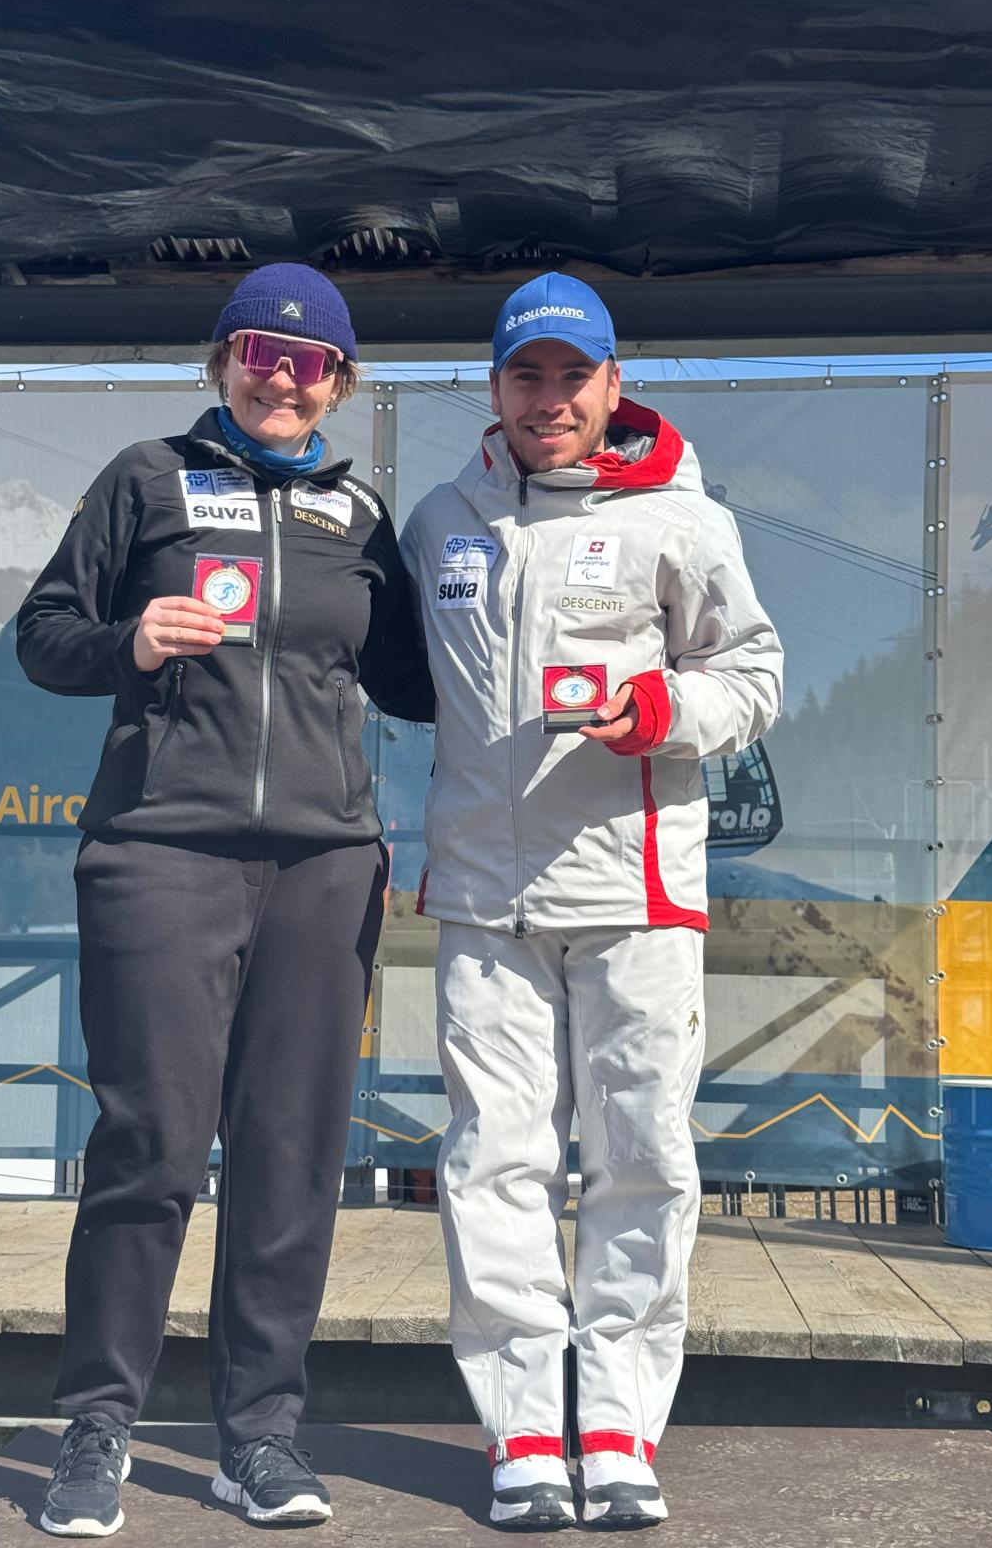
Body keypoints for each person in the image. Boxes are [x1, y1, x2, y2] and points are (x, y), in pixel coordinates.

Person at [16, 263, 433, 1536]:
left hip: (323, 869)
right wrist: (130, 640)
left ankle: (259, 1435)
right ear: (221, 361)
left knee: (291, 1155)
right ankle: (99, 1425)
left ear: (340, 384)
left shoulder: (362, 514)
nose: (282, 379)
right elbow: (42, 632)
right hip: (161, 852)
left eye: (309, 364)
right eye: (260, 352)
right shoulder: (145, 478)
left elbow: (419, 682)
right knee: (148, 1142)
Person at [399, 274, 782, 1530]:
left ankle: (617, 1424)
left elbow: (754, 674)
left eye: (575, 376)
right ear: (495, 386)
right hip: (484, 900)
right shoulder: (441, 521)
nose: (551, 399)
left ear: (614, 385)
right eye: (529, 375)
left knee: (642, 1160)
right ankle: (523, 1428)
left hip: (636, 892)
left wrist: (666, 709)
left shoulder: (686, 517)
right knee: (492, 1163)